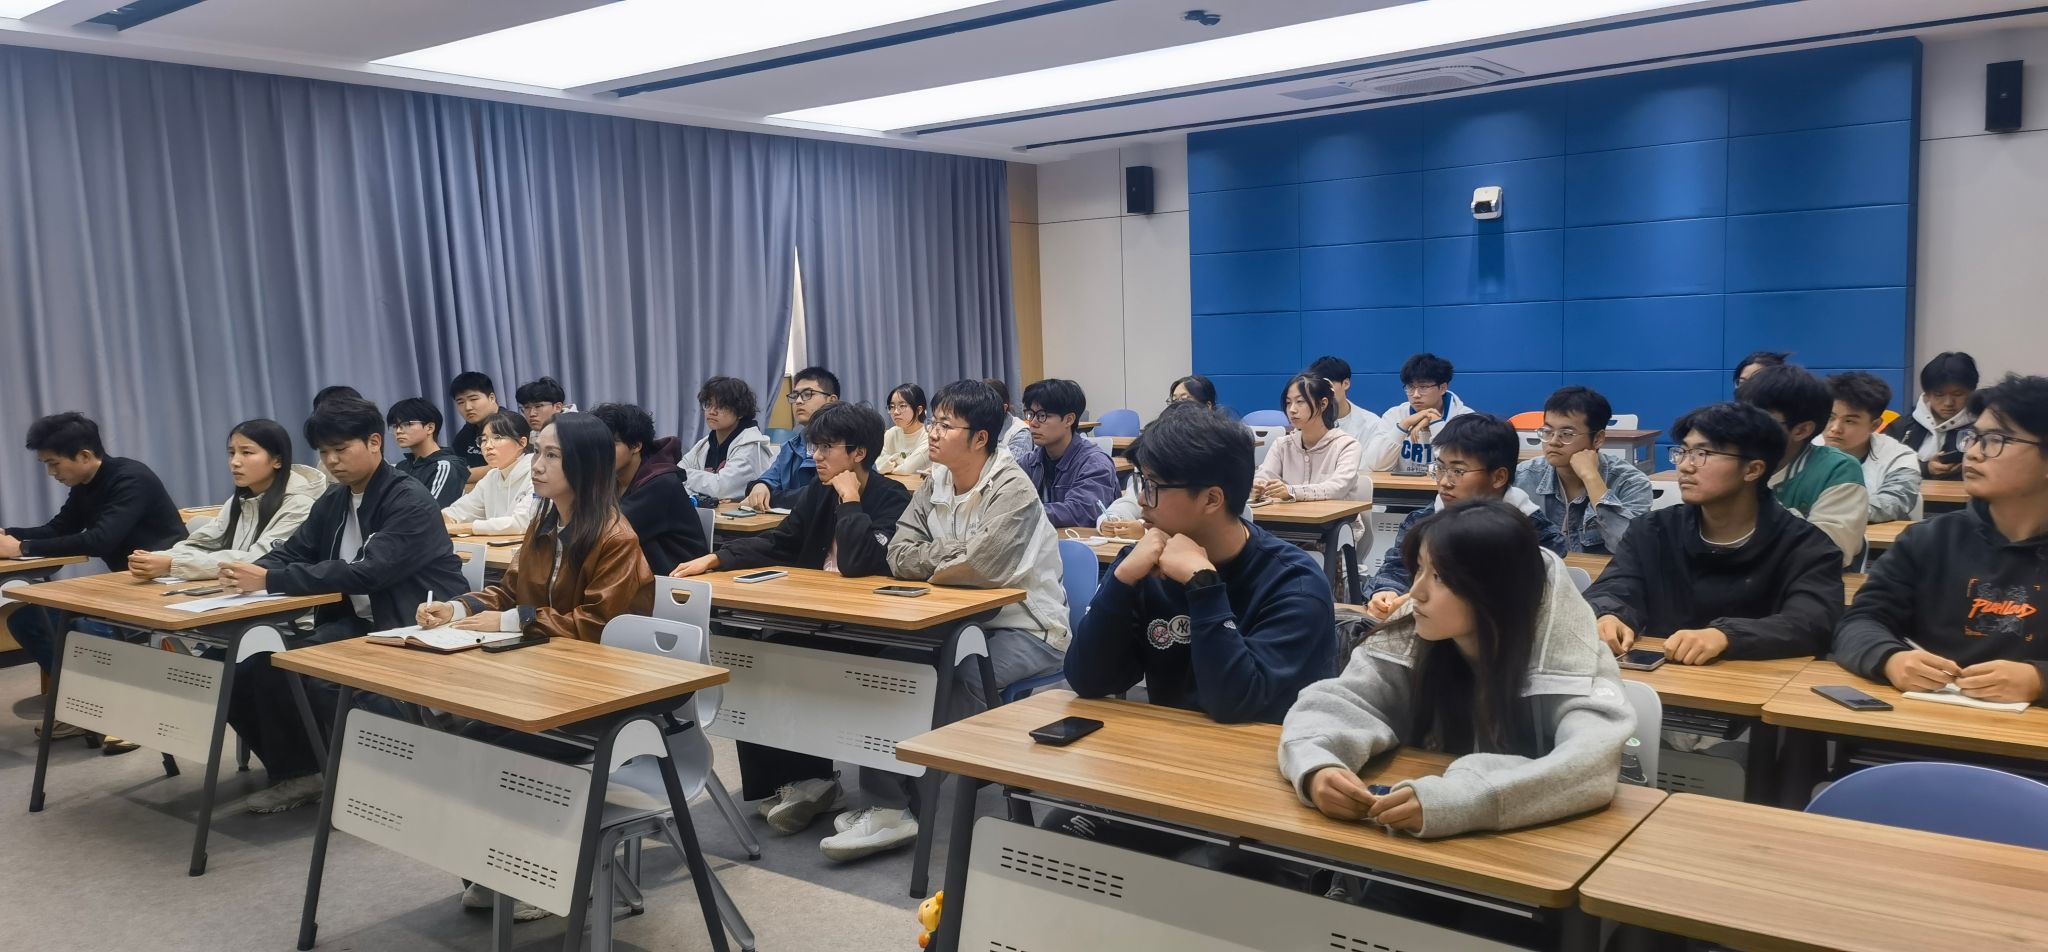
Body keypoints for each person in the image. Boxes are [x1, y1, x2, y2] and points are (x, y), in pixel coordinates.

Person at [820, 380, 1069, 863]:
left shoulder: (1013, 489)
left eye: (945, 425)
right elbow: (897, 553)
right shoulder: (935, 480)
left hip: (1028, 627)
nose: (931, 432)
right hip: (958, 619)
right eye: (933, 421)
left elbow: (983, 568)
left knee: (960, 675)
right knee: (891, 666)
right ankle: (890, 804)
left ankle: (895, 805)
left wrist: (942, 557)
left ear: (980, 438)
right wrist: (953, 556)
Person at [1281, 499, 1634, 838]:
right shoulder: (1411, 632)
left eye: (1440, 577)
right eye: (1419, 568)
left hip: (1544, 847)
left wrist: (1465, 798)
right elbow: (1340, 704)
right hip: (1420, 841)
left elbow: (1590, 763)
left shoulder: (1574, 654)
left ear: (1495, 590)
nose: (1416, 592)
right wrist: (1318, 765)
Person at [215, 397, 466, 814]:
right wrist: (251, 571)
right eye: (324, 451)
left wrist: (271, 580)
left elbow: (369, 573)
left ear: (374, 443)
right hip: (361, 623)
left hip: (412, 625)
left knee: (322, 677)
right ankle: (302, 772)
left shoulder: (408, 499)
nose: (331, 460)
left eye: (340, 449)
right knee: (251, 668)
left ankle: (401, 772)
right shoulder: (334, 501)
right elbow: (294, 551)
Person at [670, 403, 913, 832]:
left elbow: (861, 563)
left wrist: (851, 501)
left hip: (869, 626)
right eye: (814, 446)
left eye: (826, 448)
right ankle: (802, 780)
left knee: (807, 665)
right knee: (760, 659)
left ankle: (822, 782)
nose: (815, 456)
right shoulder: (818, 491)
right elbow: (782, 541)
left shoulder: (893, 497)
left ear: (858, 453)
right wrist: (717, 558)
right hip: (818, 615)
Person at [1066, 402, 1336, 723]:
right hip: (1170, 745)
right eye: (1141, 482)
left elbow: (1235, 704)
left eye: (1153, 486)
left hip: (1264, 749)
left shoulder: (1295, 583)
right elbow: (1088, 680)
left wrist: (1203, 585)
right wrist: (1120, 580)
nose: (1141, 500)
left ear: (1211, 499)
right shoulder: (1143, 565)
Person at [1835, 374, 2048, 706]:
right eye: (1974, 438)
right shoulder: (1929, 540)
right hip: (1920, 721)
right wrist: (1891, 659)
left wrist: (2040, 680)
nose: (1973, 453)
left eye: (1995, 440)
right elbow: (1860, 621)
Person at [1584, 402, 1844, 664]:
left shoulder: (1806, 546)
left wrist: (1726, 636)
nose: (1685, 466)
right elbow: (1616, 587)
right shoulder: (1653, 531)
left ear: (1753, 469)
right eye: (1683, 452)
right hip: (1665, 679)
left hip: (1757, 681)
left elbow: (1811, 622)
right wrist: (1609, 615)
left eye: (1703, 453)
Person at [418, 413, 654, 643]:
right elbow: (509, 592)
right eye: (537, 452)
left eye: (552, 455)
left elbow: (598, 622)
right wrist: (456, 608)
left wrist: (514, 621)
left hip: (591, 661)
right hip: (542, 649)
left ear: (587, 464)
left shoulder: (615, 538)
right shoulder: (543, 525)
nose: (537, 466)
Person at [3, 412, 187, 678]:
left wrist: (21, 548)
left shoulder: (131, 478)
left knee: (49, 622)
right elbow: (57, 529)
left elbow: (100, 540)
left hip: (164, 585)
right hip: (128, 583)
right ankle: (76, 690)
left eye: (54, 464)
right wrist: (9, 535)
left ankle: (86, 690)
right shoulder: (85, 484)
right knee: (27, 620)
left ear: (85, 456)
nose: (51, 473)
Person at [1364, 413, 1567, 617]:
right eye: (1440, 468)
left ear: (1498, 477)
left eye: (1458, 471)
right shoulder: (1423, 521)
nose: (1444, 482)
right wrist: (1387, 591)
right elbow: (1397, 567)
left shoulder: (1532, 531)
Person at [128, 420, 325, 582]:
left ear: (277, 461)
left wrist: (173, 565)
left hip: (283, 602)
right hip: (237, 590)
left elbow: (260, 559)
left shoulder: (301, 504)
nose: (235, 462)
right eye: (231, 453)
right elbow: (203, 542)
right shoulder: (242, 498)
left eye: (247, 453)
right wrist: (158, 558)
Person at [1738, 364, 1869, 567]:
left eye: (1759, 420)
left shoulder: (1838, 469)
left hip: (1800, 581)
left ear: (1801, 430)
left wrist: (1747, 498)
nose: (1744, 428)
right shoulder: (1726, 459)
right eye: (1741, 417)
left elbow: (1829, 551)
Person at [1512, 386, 1655, 554]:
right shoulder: (1522, 477)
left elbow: (1629, 548)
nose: (1553, 441)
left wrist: (1591, 478)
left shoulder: (1631, 483)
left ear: (1598, 439)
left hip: (1607, 572)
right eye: (1548, 431)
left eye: (1567, 434)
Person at [590, 402, 708, 575]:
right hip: (642, 576)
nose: (601, 453)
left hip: (678, 580)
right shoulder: (611, 479)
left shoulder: (661, 483)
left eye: (611, 444)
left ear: (636, 446)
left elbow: (608, 531)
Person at [1099, 374, 1224, 536]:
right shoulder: (1158, 451)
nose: (1178, 406)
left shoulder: (1214, 454)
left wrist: (1145, 530)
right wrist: (1113, 518)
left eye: (1185, 400)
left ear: (1207, 406)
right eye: (1174, 400)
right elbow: (1132, 499)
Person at [1017, 378, 1120, 528]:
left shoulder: (1095, 464)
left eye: (1042, 415)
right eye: (1030, 414)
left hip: (1084, 542)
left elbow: (1079, 512)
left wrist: (1019, 514)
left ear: (1069, 420)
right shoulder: (1030, 462)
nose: (1033, 423)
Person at [1253, 373, 1367, 506]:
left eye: (1300, 402)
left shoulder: (1347, 446)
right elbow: (1263, 476)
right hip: (1290, 517)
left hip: (1337, 518)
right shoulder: (1282, 445)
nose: (1292, 410)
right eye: (1288, 403)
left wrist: (1291, 491)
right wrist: (1258, 487)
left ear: (1323, 404)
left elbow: (1337, 488)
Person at [1822, 371, 1922, 524]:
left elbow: (1891, 505)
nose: (1835, 428)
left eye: (1849, 421)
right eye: (1830, 417)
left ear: (1874, 425)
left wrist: (1824, 512)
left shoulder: (1900, 458)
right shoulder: (1805, 446)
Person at [743, 366, 839, 511]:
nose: (798, 401)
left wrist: (774, 498)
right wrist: (761, 486)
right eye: (795, 396)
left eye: (807, 394)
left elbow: (822, 495)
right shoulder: (791, 446)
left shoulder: (846, 444)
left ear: (831, 400)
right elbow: (769, 478)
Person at [1367, 352, 1473, 474]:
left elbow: (1462, 465)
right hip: (1402, 485)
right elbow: (1376, 465)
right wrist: (1404, 425)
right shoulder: (1394, 415)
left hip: (1447, 485)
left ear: (1443, 388)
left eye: (1423, 387)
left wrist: (1435, 421)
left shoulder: (1465, 418)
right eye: (1410, 387)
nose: (1415, 395)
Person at [1882, 351, 1980, 481]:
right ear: (1927, 394)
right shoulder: (1901, 427)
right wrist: (1925, 468)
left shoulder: (1983, 429)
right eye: (1939, 395)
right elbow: (1878, 465)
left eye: (1957, 394)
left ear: (1972, 392)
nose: (1948, 403)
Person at [441, 410, 536, 536]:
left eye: (497, 438)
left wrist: (464, 528)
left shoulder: (537, 473)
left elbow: (522, 523)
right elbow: (459, 511)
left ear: (522, 443)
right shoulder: (492, 477)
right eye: (484, 439)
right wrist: (439, 520)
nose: (488, 446)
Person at [682, 375, 775, 502]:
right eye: (708, 404)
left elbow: (721, 488)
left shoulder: (751, 445)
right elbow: (675, 474)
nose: (712, 411)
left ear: (740, 412)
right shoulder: (704, 444)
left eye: (721, 406)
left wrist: (686, 476)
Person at [386, 398, 469, 507]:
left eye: (407, 424)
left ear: (430, 428)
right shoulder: (401, 467)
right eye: (395, 426)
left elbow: (431, 511)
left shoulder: (445, 466)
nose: (398, 431)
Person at [1307, 355, 1378, 446]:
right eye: (1317, 386)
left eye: (1327, 385)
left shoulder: (1371, 424)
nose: (1322, 391)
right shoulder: (1306, 422)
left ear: (1346, 384)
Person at [446, 371, 500, 469]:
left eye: (473, 399)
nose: (468, 407)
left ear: (492, 398)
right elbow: (454, 464)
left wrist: (460, 475)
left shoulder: (509, 424)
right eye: (460, 402)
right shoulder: (469, 429)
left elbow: (501, 467)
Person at [876, 383, 931, 476]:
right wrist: (899, 464)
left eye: (902, 406)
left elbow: (907, 469)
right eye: (892, 407)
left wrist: (890, 464)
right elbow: (878, 466)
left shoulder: (930, 434)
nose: (895, 412)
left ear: (919, 410)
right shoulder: (891, 433)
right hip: (892, 483)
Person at [983, 377, 1033, 458]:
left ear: (1003, 408)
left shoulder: (1021, 433)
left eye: (985, 408)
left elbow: (1011, 464)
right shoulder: (975, 426)